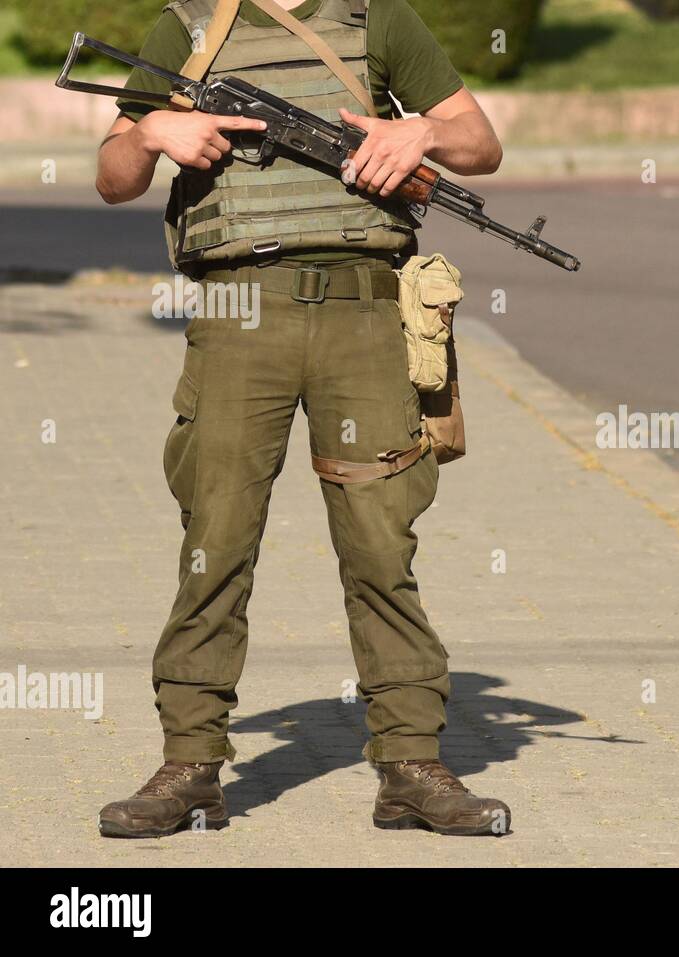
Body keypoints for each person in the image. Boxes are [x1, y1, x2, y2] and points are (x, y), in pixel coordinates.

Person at [95, 0, 510, 838]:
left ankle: (410, 762)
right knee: (217, 535)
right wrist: (149, 138)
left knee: (381, 544)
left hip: (366, 315)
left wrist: (419, 135)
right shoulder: (192, 25)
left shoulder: (379, 20)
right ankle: (191, 763)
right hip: (241, 310)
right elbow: (112, 176)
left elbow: (482, 143)